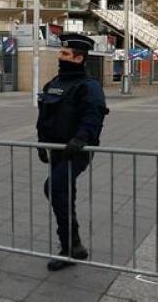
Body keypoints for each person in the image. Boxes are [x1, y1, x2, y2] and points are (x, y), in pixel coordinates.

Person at [35, 33, 109, 271]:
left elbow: (93, 116)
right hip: (57, 149)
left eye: (65, 54)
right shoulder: (55, 83)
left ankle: (70, 246)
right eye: (61, 52)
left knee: (54, 188)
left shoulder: (89, 86)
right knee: (64, 193)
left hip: (76, 150)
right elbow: (44, 114)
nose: (60, 57)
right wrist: (41, 141)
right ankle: (74, 247)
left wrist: (81, 139)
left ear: (78, 58)